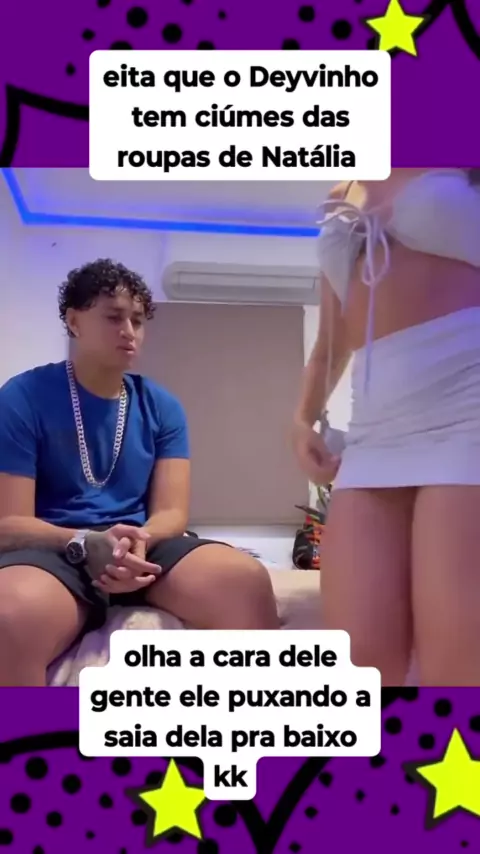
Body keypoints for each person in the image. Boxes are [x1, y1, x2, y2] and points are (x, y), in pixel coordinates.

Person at [0, 259, 280, 686]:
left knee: (245, 581)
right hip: (56, 550)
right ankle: (34, 732)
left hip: (141, 547)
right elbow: (9, 523)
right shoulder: (22, 397)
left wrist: (138, 542)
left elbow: (172, 514)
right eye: (114, 317)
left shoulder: (161, 405)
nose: (129, 331)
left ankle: (253, 720)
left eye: (137, 320)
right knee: (9, 615)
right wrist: (86, 541)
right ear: (74, 321)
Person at [292, 168, 480, 687]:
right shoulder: (345, 189)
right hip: (374, 433)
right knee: (361, 669)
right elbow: (331, 344)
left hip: (469, 412)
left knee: (456, 675)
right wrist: (302, 418)